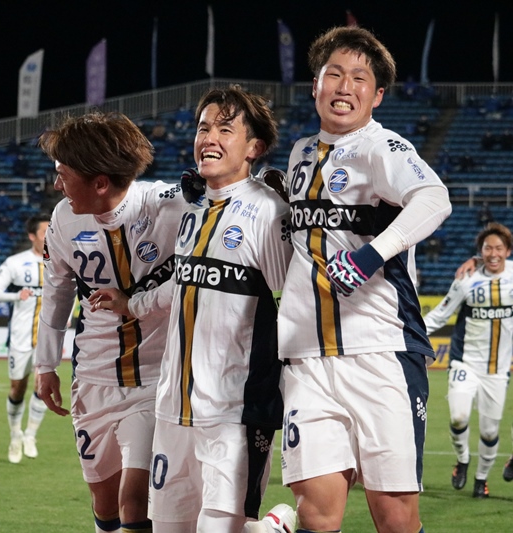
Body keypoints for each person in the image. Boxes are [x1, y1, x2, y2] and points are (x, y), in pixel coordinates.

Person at [88, 85, 296, 532]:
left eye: (225, 129)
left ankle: (271, 526)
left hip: (233, 413)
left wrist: (293, 396)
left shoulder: (270, 213)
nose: (209, 138)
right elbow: (180, 285)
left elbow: (292, 308)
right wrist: (132, 303)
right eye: (203, 128)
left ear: (254, 147)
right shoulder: (194, 211)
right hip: (172, 410)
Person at [276, 26, 451, 533]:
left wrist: (370, 256)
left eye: (359, 78)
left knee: (394, 516)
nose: (344, 86)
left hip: (381, 352)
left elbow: (434, 199)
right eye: (334, 74)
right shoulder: (300, 153)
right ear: (315, 84)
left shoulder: (382, 147)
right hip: (307, 357)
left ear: (377, 96)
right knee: (317, 512)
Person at [35, 111, 187, 533]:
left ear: (100, 183)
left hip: (156, 379)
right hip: (94, 378)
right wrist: (45, 365)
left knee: (134, 501)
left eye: (63, 175)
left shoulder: (170, 205)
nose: (57, 185)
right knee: (104, 502)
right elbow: (57, 292)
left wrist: (137, 303)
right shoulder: (63, 218)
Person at [423, 222, 513, 498]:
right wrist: (410, 335)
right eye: (487, 249)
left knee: (490, 432)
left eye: (499, 248)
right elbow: (440, 314)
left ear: (508, 251)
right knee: (459, 416)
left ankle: (481, 479)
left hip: (497, 370)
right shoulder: (466, 279)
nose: (493, 254)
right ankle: (462, 460)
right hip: (465, 363)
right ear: (480, 251)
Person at [0, 213, 52, 464]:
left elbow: (74, 292)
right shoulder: (15, 263)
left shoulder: (64, 260)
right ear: (32, 236)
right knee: (17, 388)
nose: (50, 236)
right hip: (21, 337)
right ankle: (15, 435)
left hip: (48, 338)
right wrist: (16, 296)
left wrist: (68, 315)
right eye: (45, 232)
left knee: (42, 386)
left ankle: (31, 435)